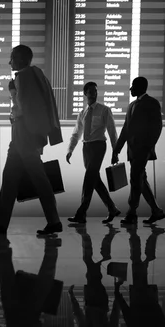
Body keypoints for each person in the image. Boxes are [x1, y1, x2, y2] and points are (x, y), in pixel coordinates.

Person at [0, 45, 63, 235]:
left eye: (12, 57)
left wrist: (13, 95)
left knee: (38, 178)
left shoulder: (23, 77)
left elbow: (23, 109)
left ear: (22, 59)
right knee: (9, 178)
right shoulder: (37, 75)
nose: (10, 61)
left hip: (24, 134)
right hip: (24, 135)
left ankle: (54, 221)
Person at [112, 76, 165, 225]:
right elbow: (126, 129)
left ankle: (132, 213)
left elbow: (157, 127)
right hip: (133, 150)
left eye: (133, 86)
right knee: (141, 180)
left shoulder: (152, 103)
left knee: (136, 179)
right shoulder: (132, 105)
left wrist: (148, 147)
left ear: (141, 87)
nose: (131, 89)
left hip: (142, 150)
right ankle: (156, 211)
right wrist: (117, 149)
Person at [67, 81, 120, 224]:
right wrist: (70, 150)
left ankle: (81, 213)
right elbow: (76, 133)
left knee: (89, 177)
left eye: (95, 91)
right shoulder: (82, 113)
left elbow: (112, 131)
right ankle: (112, 208)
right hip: (86, 148)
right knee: (95, 180)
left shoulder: (104, 110)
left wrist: (116, 151)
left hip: (98, 146)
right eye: (91, 92)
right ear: (85, 94)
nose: (94, 94)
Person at [67, 224, 121, 327]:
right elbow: (78, 315)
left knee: (93, 270)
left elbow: (115, 314)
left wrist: (117, 293)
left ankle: (101, 237)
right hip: (92, 302)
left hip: (100, 303)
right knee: (90, 266)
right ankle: (86, 235)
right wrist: (72, 297)